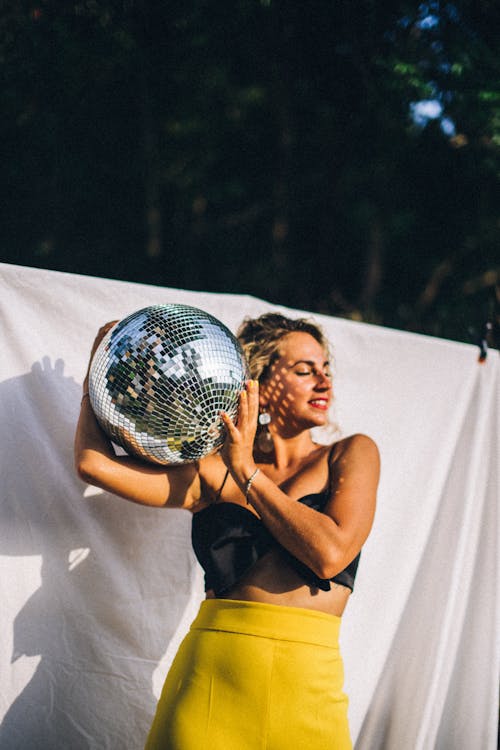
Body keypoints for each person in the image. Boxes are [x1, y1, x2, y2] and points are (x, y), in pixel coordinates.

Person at [74, 312, 379, 749]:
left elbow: (330, 554)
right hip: (209, 689)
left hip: (309, 698)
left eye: (325, 369)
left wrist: (247, 471)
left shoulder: (350, 454)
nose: (324, 382)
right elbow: (94, 465)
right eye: (303, 370)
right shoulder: (211, 471)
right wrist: (96, 376)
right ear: (257, 381)